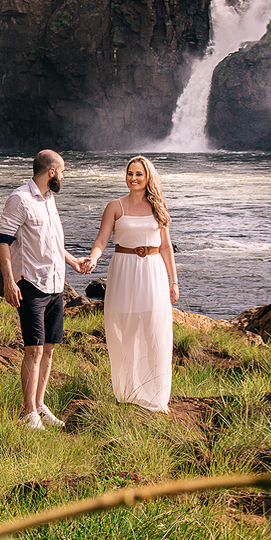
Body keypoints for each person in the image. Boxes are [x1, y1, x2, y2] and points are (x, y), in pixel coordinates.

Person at [0, 150, 89, 430]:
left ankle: (40, 405)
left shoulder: (49, 199)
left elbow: (51, 241)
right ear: (51, 172)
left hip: (55, 285)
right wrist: (9, 281)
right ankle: (28, 414)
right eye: (63, 172)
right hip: (31, 284)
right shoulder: (20, 199)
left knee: (48, 350)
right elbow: (2, 241)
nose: (64, 177)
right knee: (33, 350)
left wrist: (72, 261)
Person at [85, 156, 178, 413]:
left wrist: (174, 280)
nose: (133, 178)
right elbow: (102, 240)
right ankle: (127, 392)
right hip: (123, 269)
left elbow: (166, 247)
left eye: (139, 174)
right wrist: (93, 258)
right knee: (124, 330)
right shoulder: (115, 206)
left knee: (154, 330)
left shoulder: (158, 207)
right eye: (130, 173)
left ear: (148, 177)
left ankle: (156, 396)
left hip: (152, 270)